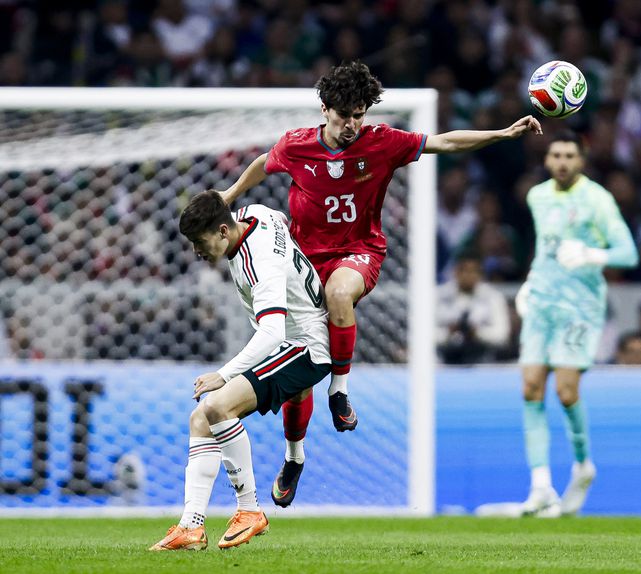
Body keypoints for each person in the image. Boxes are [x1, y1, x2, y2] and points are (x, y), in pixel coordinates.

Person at [218, 60, 542, 506]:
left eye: (359, 113)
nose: (351, 123)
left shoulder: (382, 142)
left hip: (359, 252)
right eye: (343, 113)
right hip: (303, 263)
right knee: (296, 380)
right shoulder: (296, 146)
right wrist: (231, 195)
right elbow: (262, 163)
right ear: (325, 108)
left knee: (338, 293)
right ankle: (294, 457)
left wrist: (502, 134)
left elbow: (444, 142)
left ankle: (341, 392)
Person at [150, 191, 330, 551]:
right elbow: (277, 217)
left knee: (217, 405)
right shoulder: (254, 215)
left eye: (200, 243)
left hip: (305, 345)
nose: (197, 252)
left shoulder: (256, 262)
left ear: (221, 231)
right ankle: (191, 526)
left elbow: (272, 331)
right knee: (200, 419)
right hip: (292, 338)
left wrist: (225, 373)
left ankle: (249, 510)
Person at [514, 132, 638, 517]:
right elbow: (545, 248)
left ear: (582, 160)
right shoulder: (538, 197)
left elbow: (629, 253)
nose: (563, 161)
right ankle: (540, 487)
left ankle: (583, 465)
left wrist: (590, 253)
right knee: (531, 386)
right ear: (547, 160)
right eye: (556, 154)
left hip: (579, 308)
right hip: (542, 303)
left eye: (570, 155)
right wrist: (531, 282)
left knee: (566, 393)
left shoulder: (597, 200)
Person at [436, 251, 511, 364]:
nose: (468, 276)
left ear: (480, 274)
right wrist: (448, 332)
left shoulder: (493, 297)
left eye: (473, 271)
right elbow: (424, 334)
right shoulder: (438, 296)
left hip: (483, 361)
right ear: (455, 272)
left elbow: (502, 335)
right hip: (443, 360)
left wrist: (477, 333)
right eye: (464, 270)